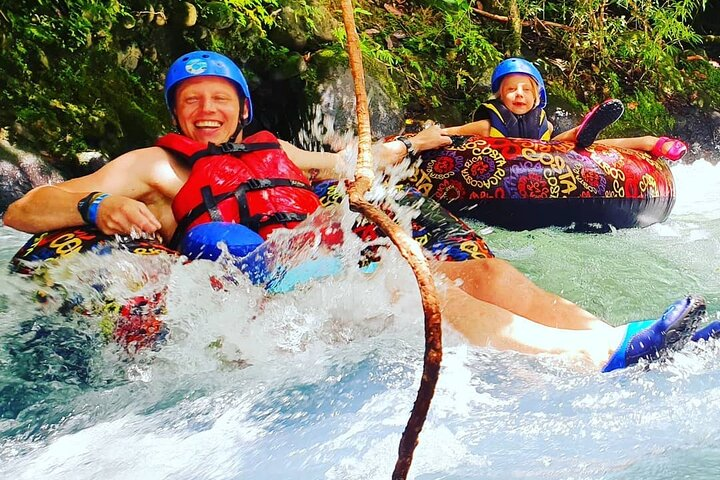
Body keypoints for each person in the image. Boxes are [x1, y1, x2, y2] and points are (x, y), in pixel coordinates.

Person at [3, 51, 710, 373]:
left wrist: (407, 148)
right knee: (420, 284)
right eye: (192, 101)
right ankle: (592, 358)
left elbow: (348, 166)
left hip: (325, 263)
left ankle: (619, 334)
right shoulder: (154, 166)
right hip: (267, 297)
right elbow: (28, 210)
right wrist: (99, 202)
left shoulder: (272, 149)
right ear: (177, 114)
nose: (207, 109)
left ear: (242, 107)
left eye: (220, 97)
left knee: (483, 272)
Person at [441, 58, 688, 161]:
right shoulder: (486, 125)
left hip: (546, 151)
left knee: (580, 143)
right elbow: (451, 133)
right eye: (511, 90)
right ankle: (589, 132)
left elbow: (553, 146)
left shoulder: (544, 125)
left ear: (537, 97)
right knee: (577, 142)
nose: (518, 94)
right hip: (506, 161)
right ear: (500, 96)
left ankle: (649, 142)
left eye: (526, 90)